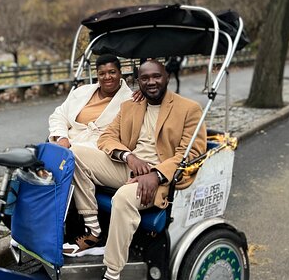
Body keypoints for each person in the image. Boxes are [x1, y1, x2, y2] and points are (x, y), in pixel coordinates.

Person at [62, 60, 206, 280]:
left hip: (160, 179)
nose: (151, 82)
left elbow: (190, 153)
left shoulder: (189, 109)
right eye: (145, 78)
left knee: (122, 198)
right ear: (137, 81)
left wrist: (156, 175)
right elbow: (107, 138)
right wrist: (128, 156)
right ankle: (93, 229)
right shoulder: (131, 105)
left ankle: (112, 273)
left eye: (156, 76)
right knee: (73, 154)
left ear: (167, 76)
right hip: (129, 167)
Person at [48, 54, 140, 149]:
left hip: (100, 149)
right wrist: (62, 137)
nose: (107, 77)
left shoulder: (131, 100)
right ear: (97, 75)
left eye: (112, 72)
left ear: (120, 73)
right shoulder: (81, 92)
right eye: (102, 73)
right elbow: (59, 116)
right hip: (67, 144)